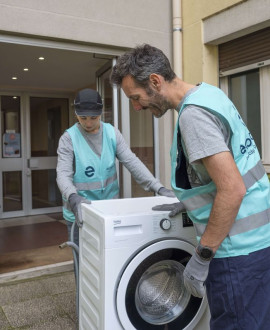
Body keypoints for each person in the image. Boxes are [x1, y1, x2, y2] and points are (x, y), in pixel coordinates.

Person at [110, 44, 270, 329]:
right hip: (259, 246)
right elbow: (226, 172)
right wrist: (191, 200)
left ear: (156, 82)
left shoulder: (192, 116)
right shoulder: (209, 94)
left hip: (236, 255)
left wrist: (202, 255)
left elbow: (232, 189)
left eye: (136, 97)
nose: (136, 107)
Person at [56, 88, 175, 250]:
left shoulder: (112, 134)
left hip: (108, 211)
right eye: (83, 118)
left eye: (94, 117)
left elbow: (132, 162)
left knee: (109, 260)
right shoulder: (68, 139)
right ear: (76, 114)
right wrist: (72, 197)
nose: (89, 123)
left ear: (101, 113)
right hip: (80, 213)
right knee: (84, 264)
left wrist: (158, 187)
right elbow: (63, 174)